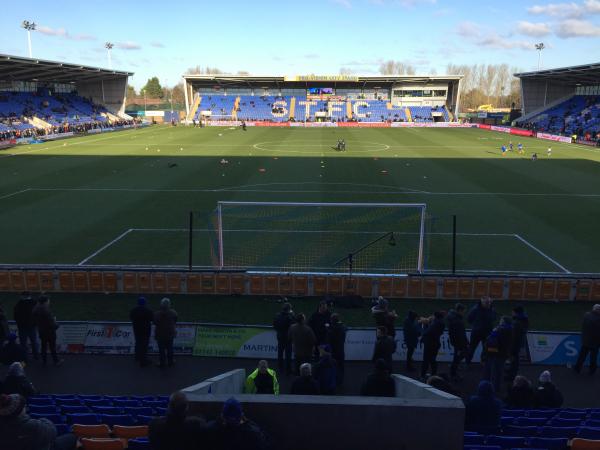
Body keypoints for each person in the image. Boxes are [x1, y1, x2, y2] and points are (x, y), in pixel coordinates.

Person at [0, 393, 77, 450]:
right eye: (24, 406)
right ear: (19, 411)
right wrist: (44, 420)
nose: (25, 407)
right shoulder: (35, 426)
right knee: (73, 437)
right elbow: (53, 431)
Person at [483, 316, 513, 394]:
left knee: (494, 372)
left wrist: (494, 332)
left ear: (503, 322)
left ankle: (492, 388)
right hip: (503, 353)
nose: (499, 322)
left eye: (501, 320)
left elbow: (490, 340)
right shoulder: (511, 330)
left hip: (495, 353)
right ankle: (497, 388)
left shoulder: (499, 330)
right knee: (499, 372)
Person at [32, 295, 63, 367]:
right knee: (52, 347)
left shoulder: (35, 309)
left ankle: (44, 361)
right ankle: (56, 361)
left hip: (42, 331)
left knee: (43, 347)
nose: (49, 302)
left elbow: (35, 320)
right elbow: (51, 323)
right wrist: (57, 325)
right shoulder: (46, 310)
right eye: (48, 300)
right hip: (49, 332)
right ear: (45, 302)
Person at [466, 297, 497, 365]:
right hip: (478, 332)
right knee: (472, 348)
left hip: (485, 332)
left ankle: (483, 362)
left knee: (485, 348)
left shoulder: (490, 309)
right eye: (486, 303)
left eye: (489, 302)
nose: (488, 304)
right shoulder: (476, 309)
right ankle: (467, 363)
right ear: (482, 302)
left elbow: (494, 318)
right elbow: (469, 318)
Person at [574, 304, 600, 375]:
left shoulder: (586, 315)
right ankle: (592, 371)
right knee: (593, 358)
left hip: (585, 340)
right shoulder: (598, 318)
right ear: (598, 310)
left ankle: (577, 369)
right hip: (595, 342)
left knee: (582, 356)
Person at [130, 296, 154, 367]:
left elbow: (131, 317)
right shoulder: (148, 310)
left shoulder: (133, 310)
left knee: (138, 343)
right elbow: (152, 319)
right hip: (146, 330)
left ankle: (137, 357)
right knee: (144, 345)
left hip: (136, 329)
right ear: (145, 303)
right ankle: (143, 360)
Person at [13, 292, 39, 359]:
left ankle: (25, 357)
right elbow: (37, 314)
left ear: (23, 296)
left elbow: (15, 316)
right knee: (34, 342)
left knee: (23, 343)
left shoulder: (19, 304)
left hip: (22, 327)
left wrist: (19, 323)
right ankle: (36, 356)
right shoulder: (34, 303)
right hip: (32, 326)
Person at [153, 297, 178, 368]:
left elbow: (154, 322)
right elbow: (175, 320)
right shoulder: (173, 313)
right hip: (170, 333)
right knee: (170, 348)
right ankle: (170, 361)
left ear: (161, 305)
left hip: (160, 334)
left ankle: (162, 362)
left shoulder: (156, 314)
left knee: (161, 349)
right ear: (169, 305)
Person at [420, 311, 446, 379]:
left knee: (426, 360)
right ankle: (433, 374)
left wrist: (424, 324)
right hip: (435, 343)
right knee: (433, 360)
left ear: (435, 316)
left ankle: (423, 375)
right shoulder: (440, 322)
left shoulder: (436, 323)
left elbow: (427, 332)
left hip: (430, 344)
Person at [507, 306, 529, 382]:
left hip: (515, 345)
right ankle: (511, 374)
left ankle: (511, 376)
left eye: (512, 312)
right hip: (519, 343)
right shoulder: (524, 320)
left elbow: (514, 337)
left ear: (516, 313)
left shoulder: (517, 323)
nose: (511, 313)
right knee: (515, 360)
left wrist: (511, 349)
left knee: (514, 360)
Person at [273, 302, 295, 375]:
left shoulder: (277, 316)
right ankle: (288, 369)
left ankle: (280, 368)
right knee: (288, 354)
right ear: (289, 309)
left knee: (280, 353)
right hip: (288, 337)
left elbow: (274, 325)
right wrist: (292, 315)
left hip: (280, 336)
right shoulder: (289, 317)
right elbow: (293, 324)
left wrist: (279, 331)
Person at [447, 304, 468, 381]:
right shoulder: (457, 321)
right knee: (457, 358)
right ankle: (453, 373)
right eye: (463, 311)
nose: (464, 313)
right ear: (459, 310)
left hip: (456, 342)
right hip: (459, 343)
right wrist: (463, 344)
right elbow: (459, 335)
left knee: (457, 357)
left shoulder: (453, 318)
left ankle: (453, 371)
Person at [327, 313, 347, 385]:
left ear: (332, 320)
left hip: (334, 351)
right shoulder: (342, 327)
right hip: (341, 350)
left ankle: (334, 380)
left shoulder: (332, 330)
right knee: (341, 366)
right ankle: (340, 381)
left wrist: (328, 328)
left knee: (333, 366)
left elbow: (329, 339)